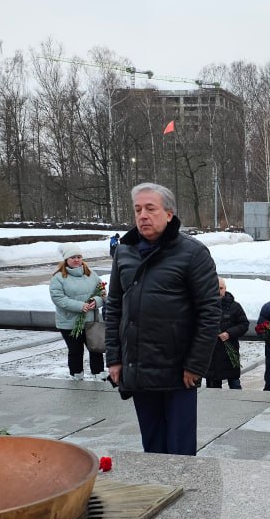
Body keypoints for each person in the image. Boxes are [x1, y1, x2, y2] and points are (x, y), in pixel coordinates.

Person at [106, 182, 220, 456]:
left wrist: (195, 365)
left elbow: (209, 313)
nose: (142, 216)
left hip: (178, 371)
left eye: (150, 209)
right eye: (137, 210)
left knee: (180, 453)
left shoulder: (192, 253)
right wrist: (114, 358)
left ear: (169, 214)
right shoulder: (124, 252)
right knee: (153, 448)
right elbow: (114, 307)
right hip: (139, 368)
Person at [49, 243, 105, 381]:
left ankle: (99, 374)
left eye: (79, 257)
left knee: (95, 349)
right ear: (66, 259)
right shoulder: (58, 278)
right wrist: (80, 306)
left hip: (91, 321)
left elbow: (102, 292)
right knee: (75, 351)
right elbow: (58, 298)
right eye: (73, 257)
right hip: (69, 323)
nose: (76, 260)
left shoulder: (91, 274)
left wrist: (96, 301)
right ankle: (76, 375)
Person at [206, 277, 249, 389]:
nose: (218, 291)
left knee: (234, 385)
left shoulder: (235, 306)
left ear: (225, 289)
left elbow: (244, 324)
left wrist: (229, 333)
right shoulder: (205, 306)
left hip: (230, 353)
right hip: (211, 354)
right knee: (213, 388)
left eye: (220, 288)